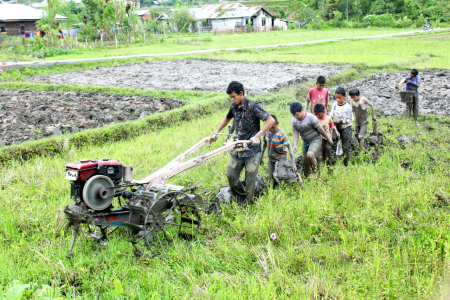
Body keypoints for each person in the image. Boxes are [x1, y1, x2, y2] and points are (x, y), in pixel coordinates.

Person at [210, 81, 275, 204]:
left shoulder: (252, 106)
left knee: (250, 177)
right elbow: (227, 117)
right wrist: (216, 132)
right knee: (231, 176)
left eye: (234, 96)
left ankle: (249, 204)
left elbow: (270, 120)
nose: (232, 99)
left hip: (252, 149)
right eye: (230, 97)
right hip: (237, 148)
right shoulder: (233, 106)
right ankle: (240, 196)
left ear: (241, 93)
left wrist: (257, 136)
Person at [290, 102, 333, 178]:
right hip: (305, 141)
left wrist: (328, 139)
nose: (295, 117)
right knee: (304, 160)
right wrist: (295, 144)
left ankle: (316, 173)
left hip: (315, 139)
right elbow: (295, 133)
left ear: (302, 110)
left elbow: (320, 129)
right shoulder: (294, 120)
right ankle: (308, 176)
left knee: (310, 155)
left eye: (297, 114)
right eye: (293, 115)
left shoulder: (310, 117)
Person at [260, 115, 302, 188]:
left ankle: (296, 177)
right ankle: (277, 188)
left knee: (281, 175)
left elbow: (289, 148)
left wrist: (293, 163)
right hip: (271, 158)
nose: (271, 129)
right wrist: (261, 156)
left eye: (273, 127)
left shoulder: (281, 134)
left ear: (277, 123)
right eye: (269, 127)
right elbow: (264, 144)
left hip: (281, 157)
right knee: (271, 178)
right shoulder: (266, 132)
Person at [330, 87, 353, 166]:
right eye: (336, 98)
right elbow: (331, 115)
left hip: (346, 128)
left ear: (344, 97)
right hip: (336, 127)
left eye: (339, 98)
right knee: (333, 144)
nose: (338, 99)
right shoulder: (334, 105)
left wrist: (341, 121)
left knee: (346, 147)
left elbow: (351, 119)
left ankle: (348, 164)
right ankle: (333, 162)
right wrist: (330, 122)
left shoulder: (348, 107)